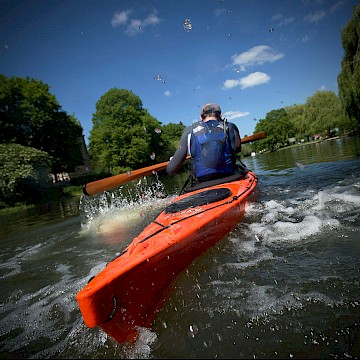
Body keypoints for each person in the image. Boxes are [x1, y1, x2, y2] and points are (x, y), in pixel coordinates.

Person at [166, 103, 245, 191]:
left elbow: (171, 170)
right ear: (220, 115)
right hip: (230, 178)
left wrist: (174, 159)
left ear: (201, 118)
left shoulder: (189, 131)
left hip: (201, 184)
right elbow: (237, 149)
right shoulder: (231, 127)